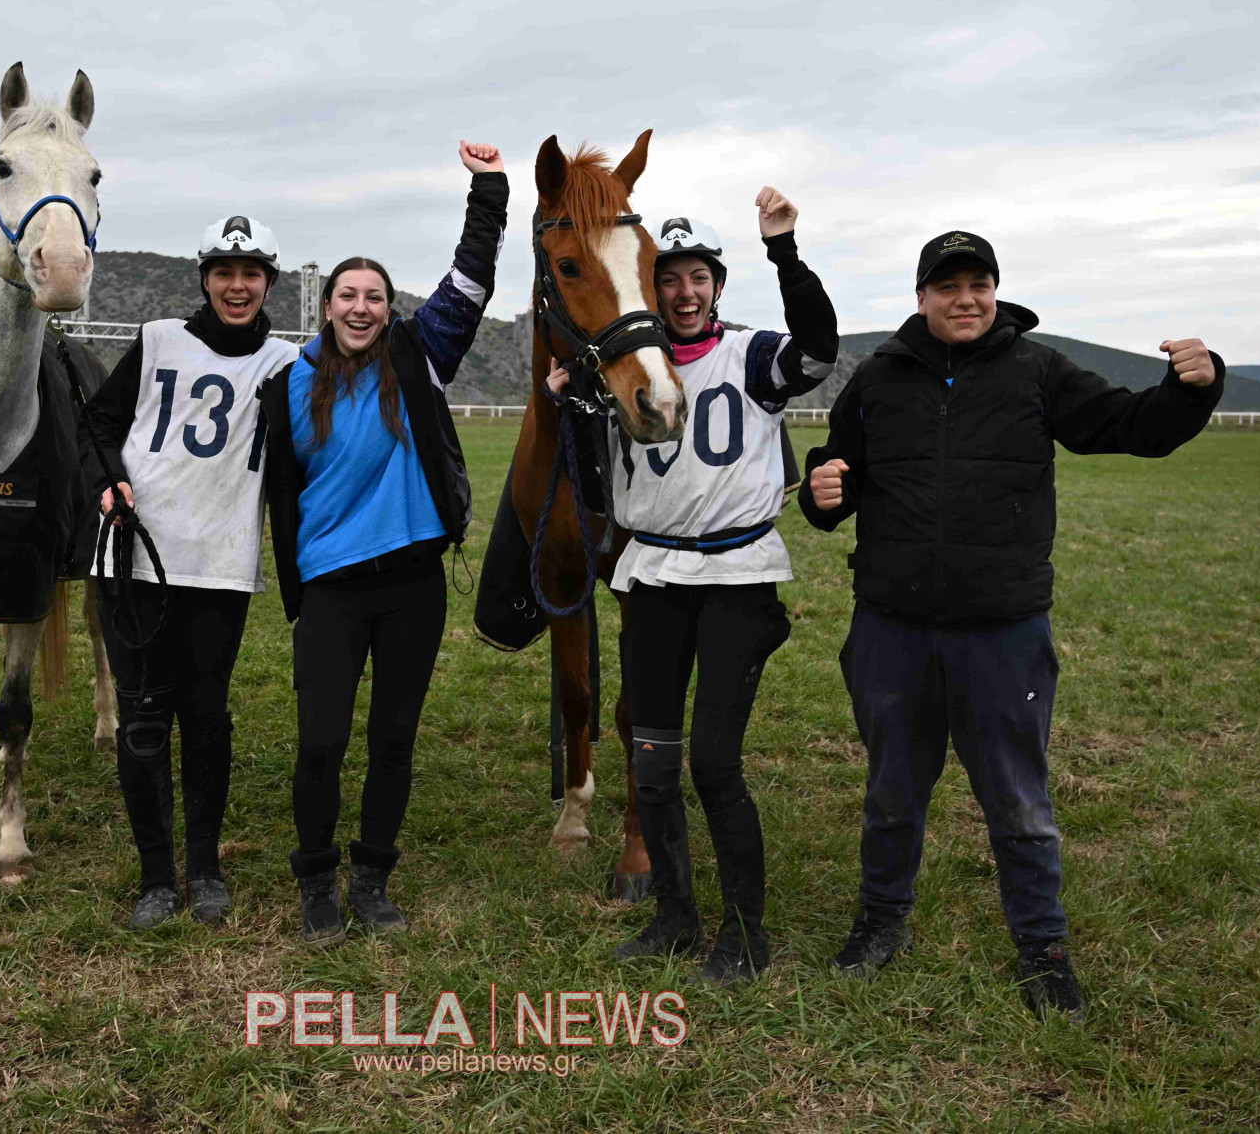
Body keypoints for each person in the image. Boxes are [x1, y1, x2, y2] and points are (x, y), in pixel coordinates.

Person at [799, 230, 1224, 1021]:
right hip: (892, 627)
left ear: (995, 291)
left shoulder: (1038, 370)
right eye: (948, 285)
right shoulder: (880, 377)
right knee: (892, 792)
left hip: (1003, 632)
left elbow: (1134, 426)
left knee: (1020, 804)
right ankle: (879, 923)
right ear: (921, 296)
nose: (966, 298)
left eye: (979, 283)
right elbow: (839, 474)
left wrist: (1192, 389)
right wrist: (819, 492)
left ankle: (1044, 950)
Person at [550, 188, 839, 983]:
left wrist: (784, 250)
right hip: (656, 577)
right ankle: (675, 917)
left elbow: (818, 349)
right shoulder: (625, 365)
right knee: (651, 761)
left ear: (715, 284)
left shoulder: (750, 354)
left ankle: (746, 933)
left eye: (697, 278)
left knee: (713, 761)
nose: (683, 293)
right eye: (668, 279)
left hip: (737, 577)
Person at [257, 142, 509, 943]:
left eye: (374, 296)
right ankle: (316, 886)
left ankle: (372, 878)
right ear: (326, 305)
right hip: (332, 588)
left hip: (412, 586)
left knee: (394, 738)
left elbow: (471, 284)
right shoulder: (287, 383)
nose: (361, 307)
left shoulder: (416, 355)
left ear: (388, 307)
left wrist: (490, 190)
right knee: (321, 743)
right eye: (347, 295)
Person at [83, 215, 298, 928]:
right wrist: (110, 480)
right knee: (143, 717)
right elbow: (98, 424)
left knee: (206, 718)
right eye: (224, 273)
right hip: (135, 558)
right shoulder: (155, 339)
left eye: (252, 274)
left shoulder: (285, 364)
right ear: (204, 278)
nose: (237, 287)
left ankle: (204, 868)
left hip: (220, 567)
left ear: (268, 282)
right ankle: (155, 877)